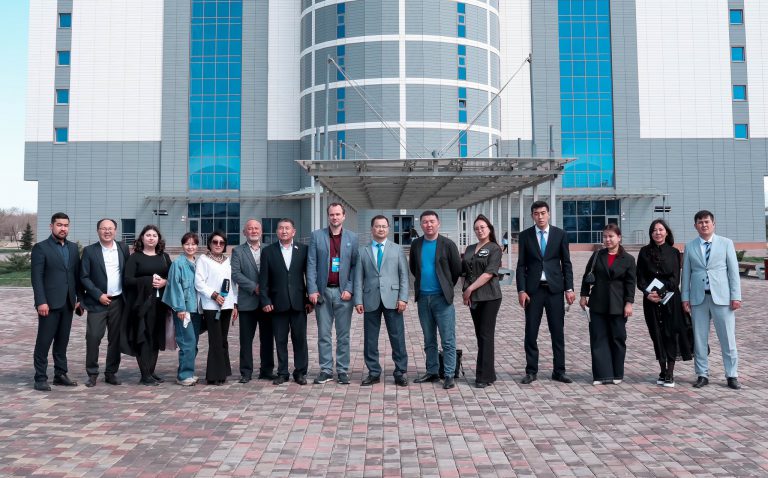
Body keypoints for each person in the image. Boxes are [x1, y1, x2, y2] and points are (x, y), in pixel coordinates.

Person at [515, 200, 576, 384]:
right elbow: (521, 265)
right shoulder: (525, 236)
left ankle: (559, 371)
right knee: (531, 332)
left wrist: (569, 288)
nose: (540, 217)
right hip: (533, 291)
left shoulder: (560, 234)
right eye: (536, 214)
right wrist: (521, 290)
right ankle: (531, 371)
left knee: (557, 332)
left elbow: (566, 263)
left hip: (555, 290)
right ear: (532, 216)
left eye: (543, 213)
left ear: (548, 214)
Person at [681, 210, 742, 390]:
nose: (704, 225)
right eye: (700, 222)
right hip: (698, 299)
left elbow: (733, 272)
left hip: (722, 299)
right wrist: (685, 297)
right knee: (699, 339)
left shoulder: (726, 243)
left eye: (707, 221)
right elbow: (686, 274)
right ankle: (702, 374)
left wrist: (736, 296)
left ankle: (732, 375)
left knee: (728, 338)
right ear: (695, 226)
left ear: (713, 224)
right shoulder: (690, 246)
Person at [636, 219, 693, 388]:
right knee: (656, 334)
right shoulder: (644, 252)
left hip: (670, 299)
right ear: (651, 233)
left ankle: (670, 372)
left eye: (661, 229)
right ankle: (662, 369)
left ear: (666, 232)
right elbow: (640, 277)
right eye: (654, 230)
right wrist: (648, 293)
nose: (658, 233)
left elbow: (675, 279)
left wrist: (661, 292)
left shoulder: (674, 252)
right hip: (650, 300)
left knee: (670, 334)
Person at [409, 210, 462, 390]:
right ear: (421, 225)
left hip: (442, 299)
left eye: (432, 221)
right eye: (425, 222)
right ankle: (432, 371)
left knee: (447, 339)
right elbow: (414, 268)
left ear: (438, 223)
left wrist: (446, 286)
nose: (429, 225)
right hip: (423, 298)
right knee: (428, 338)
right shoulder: (416, 244)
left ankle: (448, 374)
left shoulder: (448, 244)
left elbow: (456, 270)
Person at [307, 203, 359, 385]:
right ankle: (326, 370)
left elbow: (355, 266)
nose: (335, 217)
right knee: (324, 334)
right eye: (331, 214)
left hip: (343, 293)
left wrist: (350, 288)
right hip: (323, 292)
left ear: (344, 216)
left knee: (343, 335)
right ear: (328, 216)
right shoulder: (317, 236)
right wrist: (312, 289)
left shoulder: (353, 238)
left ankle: (342, 370)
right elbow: (311, 264)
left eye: (338, 214)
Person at [354, 215, 409, 387]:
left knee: (397, 337)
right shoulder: (362, 251)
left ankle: (400, 371)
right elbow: (358, 278)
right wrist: (358, 300)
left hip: (393, 299)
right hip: (370, 299)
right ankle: (373, 372)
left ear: (388, 229)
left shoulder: (397, 249)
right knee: (370, 338)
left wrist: (403, 298)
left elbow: (404, 276)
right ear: (372, 229)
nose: (381, 229)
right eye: (377, 226)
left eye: (384, 226)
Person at [579, 224, 636, 385]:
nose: (607, 239)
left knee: (618, 338)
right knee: (598, 338)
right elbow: (587, 276)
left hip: (618, 304)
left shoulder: (628, 259)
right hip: (598, 302)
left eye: (611, 236)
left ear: (619, 238)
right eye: (605, 236)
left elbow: (630, 283)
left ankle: (617, 373)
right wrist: (583, 295)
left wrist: (629, 303)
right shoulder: (597, 255)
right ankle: (601, 375)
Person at [31, 212, 81, 391]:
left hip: (68, 303)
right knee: (44, 341)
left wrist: (78, 299)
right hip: (49, 304)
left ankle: (60, 374)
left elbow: (76, 276)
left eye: (66, 225)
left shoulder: (73, 248)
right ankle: (40, 377)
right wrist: (41, 301)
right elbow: (37, 278)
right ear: (51, 226)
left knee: (62, 341)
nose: (63, 228)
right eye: (59, 225)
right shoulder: (41, 248)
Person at [260, 218, 311, 385]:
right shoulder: (268, 251)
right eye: (281, 228)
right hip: (277, 303)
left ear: (293, 232)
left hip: (299, 303)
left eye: (287, 228)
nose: (284, 231)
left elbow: (309, 276)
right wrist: (265, 300)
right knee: (280, 340)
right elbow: (264, 280)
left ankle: (300, 372)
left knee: (300, 339)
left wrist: (309, 299)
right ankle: (282, 372)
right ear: (277, 232)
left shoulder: (303, 250)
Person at [79, 218, 130, 387]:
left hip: (118, 302)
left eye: (110, 228)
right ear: (98, 231)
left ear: (115, 231)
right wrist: (98, 294)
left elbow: (127, 272)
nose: (107, 231)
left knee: (115, 339)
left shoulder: (123, 248)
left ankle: (111, 372)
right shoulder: (89, 251)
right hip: (97, 302)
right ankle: (92, 373)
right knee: (93, 337)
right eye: (103, 228)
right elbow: (84, 277)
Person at [123, 224, 171, 386]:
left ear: (159, 239)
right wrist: (148, 280)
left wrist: (164, 282)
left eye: (154, 235)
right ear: (142, 238)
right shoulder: (135, 257)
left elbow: (172, 277)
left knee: (156, 336)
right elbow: (127, 280)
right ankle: (144, 375)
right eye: (148, 235)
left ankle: (151, 371)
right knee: (143, 336)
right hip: (141, 304)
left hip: (160, 303)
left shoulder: (164, 257)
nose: (151, 238)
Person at [231, 219, 275, 383]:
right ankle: (246, 372)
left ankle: (267, 370)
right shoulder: (237, 251)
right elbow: (235, 274)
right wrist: (255, 287)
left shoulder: (270, 249)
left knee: (267, 339)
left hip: (266, 302)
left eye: (256, 228)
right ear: (244, 232)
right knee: (246, 340)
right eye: (250, 229)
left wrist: (265, 290)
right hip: (247, 302)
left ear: (261, 231)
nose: (253, 231)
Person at [461, 214, 503, 389]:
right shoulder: (470, 248)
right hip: (474, 298)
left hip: (490, 297)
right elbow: (464, 271)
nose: (479, 231)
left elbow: (489, 273)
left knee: (486, 335)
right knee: (480, 335)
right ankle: (489, 374)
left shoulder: (495, 248)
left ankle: (483, 377)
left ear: (489, 229)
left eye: (482, 227)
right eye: (476, 228)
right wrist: (466, 290)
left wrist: (469, 289)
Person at [195, 231, 237, 385]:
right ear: (210, 244)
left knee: (223, 339)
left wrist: (234, 304)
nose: (218, 245)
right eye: (215, 242)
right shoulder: (203, 260)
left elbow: (232, 284)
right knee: (215, 340)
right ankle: (213, 375)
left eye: (221, 242)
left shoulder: (227, 261)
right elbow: (199, 282)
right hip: (211, 305)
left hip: (226, 305)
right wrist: (214, 295)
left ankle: (223, 372)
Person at [162, 232, 204, 386]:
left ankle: (188, 372)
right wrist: (180, 308)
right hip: (184, 309)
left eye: (193, 244)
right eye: (187, 244)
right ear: (182, 245)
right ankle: (183, 375)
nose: (190, 247)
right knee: (187, 341)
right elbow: (175, 286)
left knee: (193, 342)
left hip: (196, 309)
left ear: (197, 246)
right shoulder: (178, 263)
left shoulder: (198, 263)